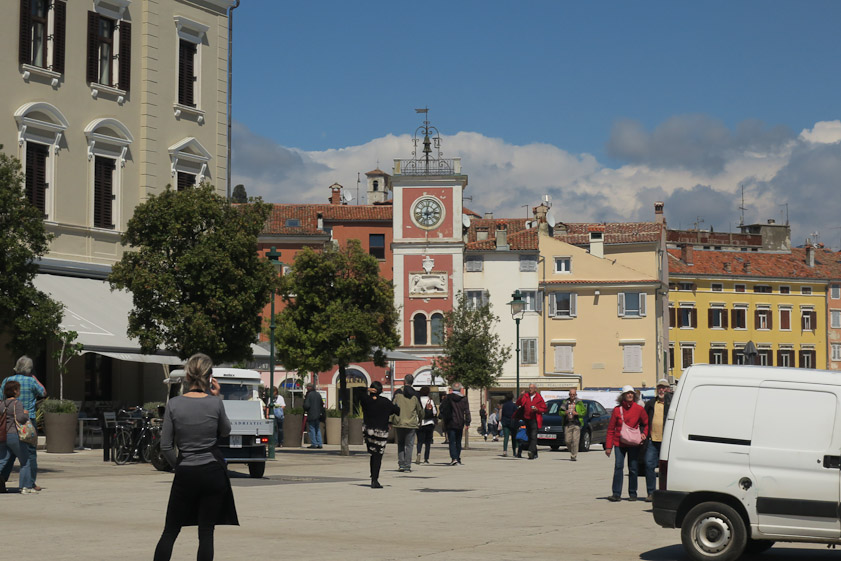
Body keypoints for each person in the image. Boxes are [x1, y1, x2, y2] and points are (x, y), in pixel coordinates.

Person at [154, 353, 238, 561]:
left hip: (186, 470)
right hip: (212, 471)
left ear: (187, 376)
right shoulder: (214, 403)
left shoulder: (174, 404)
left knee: (171, 530)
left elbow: (165, 446)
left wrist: (178, 466)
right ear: (209, 377)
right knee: (206, 532)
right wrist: (217, 397)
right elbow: (226, 430)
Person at [0, 356, 45, 491]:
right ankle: (30, 482)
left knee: (8, 453)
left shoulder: (7, 380)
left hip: (7, 421)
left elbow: (1, 399)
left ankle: (2, 479)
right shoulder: (31, 381)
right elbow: (43, 392)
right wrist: (34, 377)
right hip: (27, 421)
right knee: (29, 453)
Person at [605, 385, 649, 502]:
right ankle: (616, 493)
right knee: (618, 467)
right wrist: (608, 446)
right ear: (623, 396)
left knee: (633, 468)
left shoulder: (639, 409)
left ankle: (633, 493)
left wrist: (644, 433)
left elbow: (646, 423)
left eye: (631, 393)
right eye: (627, 393)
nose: (630, 395)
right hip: (619, 443)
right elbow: (611, 429)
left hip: (633, 443)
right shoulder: (616, 410)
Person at [360, 381, 399, 488]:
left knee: (373, 454)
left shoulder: (366, 400)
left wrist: (367, 389)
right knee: (378, 456)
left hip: (369, 432)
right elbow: (396, 410)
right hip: (381, 433)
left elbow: (356, 391)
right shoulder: (385, 402)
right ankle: (375, 479)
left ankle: (373, 476)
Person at [0, 381, 34, 493]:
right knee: (25, 461)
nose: (19, 392)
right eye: (18, 389)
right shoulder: (17, 403)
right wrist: (25, 413)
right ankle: (25, 486)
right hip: (15, 435)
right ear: (14, 391)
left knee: (3, 460)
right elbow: (20, 418)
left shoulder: (2, 403)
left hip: (3, 435)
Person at [643, 379, 672, 502]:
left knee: (666, 469)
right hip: (652, 440)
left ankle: (666, 493)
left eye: (664, 387)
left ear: (668, 390)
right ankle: (651, 493)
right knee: (649, 465)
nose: (661, 390)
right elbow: (644, 420)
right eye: (659, 387)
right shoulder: (650, 403)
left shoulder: (672, 404)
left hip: (667, 442)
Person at [390, 374, 423, 472]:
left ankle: (401, 464)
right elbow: (419, 410)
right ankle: (407, 465)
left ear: (404, 381)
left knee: (400, 443)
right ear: (412, 382)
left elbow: (392, 407)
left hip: (399, 422)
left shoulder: (398, 393)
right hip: (411, 423)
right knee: (409, 445)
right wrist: (421, 419)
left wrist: (390, 420)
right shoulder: (416, 395)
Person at [439, 382, 471, 465]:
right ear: (460, 389)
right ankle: (457, 457)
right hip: (460, 422)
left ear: (452, 389)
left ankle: (454, 458)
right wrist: (468, 421)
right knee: (458, 441)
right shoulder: (464, 398)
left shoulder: (448, 397)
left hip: (450, 421)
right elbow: (467, 411)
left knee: (452, 441)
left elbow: (442, 408)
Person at [516, 384, 547, 460]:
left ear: (535, 389)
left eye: (531, 388)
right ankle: (535, 452)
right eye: (529, 388)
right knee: (529, 436)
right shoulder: (526, 396)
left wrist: (537, 409)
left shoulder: (539, 397)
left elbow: (544, 409)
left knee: (533, 436)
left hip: (535, 419)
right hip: (526, 419)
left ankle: (531, 452)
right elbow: (518, 403)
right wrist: (521, 396)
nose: (530, 389)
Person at [561, 388, 587, 461]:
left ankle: (573, 455)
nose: (572, 396)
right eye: (571, 394)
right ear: (569, 395)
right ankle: (572, 450)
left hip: (576, 423)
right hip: (567, 423)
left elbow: (584, 412)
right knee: (567, 440)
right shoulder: (565, 402)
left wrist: (577, 414)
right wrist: (564, 413)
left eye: (573, 394)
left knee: (575, 440)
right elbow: (560, 412)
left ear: (576, 395)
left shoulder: (579, 402)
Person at [416, 386, 437, 464]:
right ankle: (426, 459)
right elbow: (434, 412)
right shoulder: (430, 401)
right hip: (429, 423)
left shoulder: (418, 400)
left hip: (420, 423)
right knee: (428, 442)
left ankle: (418, 453)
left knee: (419, 441)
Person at [303, 383, 324, 449]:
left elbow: (307, 405)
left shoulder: (309, 395)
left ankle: (314, 443)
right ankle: (320, 443)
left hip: (311, 414)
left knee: (312, 429)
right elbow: (321, 404)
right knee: (317, 429)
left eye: (307, 387)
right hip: (318, 414)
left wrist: (304, 407)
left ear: (309, 387)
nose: (306, 388)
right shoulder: (318, 394)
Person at [499, 393, 517, 457]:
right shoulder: (514, 405)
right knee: (513, 438)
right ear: (512, 398)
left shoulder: (504, 405)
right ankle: (514, 451)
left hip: (505, 422)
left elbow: (503, 414)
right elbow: (516, 414)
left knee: (506, 437)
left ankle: (505, 451)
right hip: (512, 423)